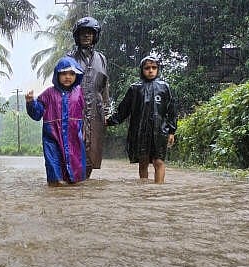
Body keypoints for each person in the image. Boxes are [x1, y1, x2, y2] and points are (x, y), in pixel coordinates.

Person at [106, 55, 177, 184]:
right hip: (140, 131)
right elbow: (123, 110)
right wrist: (108, 121)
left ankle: (158, 189)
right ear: (142, 70)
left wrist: (172, 131)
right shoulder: (135, 88)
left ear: (158, 69)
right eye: (147, 68)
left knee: (159, 161)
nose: (150, 70)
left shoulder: (165, 87)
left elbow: (171, 111)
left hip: (160, 131)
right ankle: (144, 190)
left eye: (154, 68)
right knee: (143, 161)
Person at [26, 56, 86, 186]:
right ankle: (55, 186)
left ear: (77, 76)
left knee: (75, 173)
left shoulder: (79, 92)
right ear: (57, 75)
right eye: (64, 73)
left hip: (73, 136)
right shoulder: (48, 93)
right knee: (54, 168)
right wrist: (30, 103)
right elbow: (37, 114)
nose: (68, 77)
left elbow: (87, 113)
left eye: (71, 73)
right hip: (52, 137)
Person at [68, 16, 111, 179]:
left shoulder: (102, 59)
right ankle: (74, 182)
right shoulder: (70, 57)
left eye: (90, 33)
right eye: (83, 33)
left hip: (96, 111)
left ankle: (85, 182)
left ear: (95, 36)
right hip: (75, 110)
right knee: (74, 149)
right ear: (77, 36)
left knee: (92, 153)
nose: (86, 36)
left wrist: (106, 112)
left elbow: (105, 86)